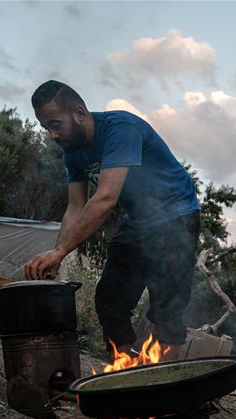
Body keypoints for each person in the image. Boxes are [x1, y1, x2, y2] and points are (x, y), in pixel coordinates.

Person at [25, 81, 199, 359]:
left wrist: (59, 251)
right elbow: (75, 207)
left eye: (55, 124)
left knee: (167, 306)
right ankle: (124, 368)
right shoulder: (72, 152)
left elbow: (106, 198)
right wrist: (57, 257)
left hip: (176, 215)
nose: (52, 135)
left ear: (79, 113)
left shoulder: (120, 129)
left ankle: (169, 386)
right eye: (46, 128)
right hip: (138, 221)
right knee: (110, 299)